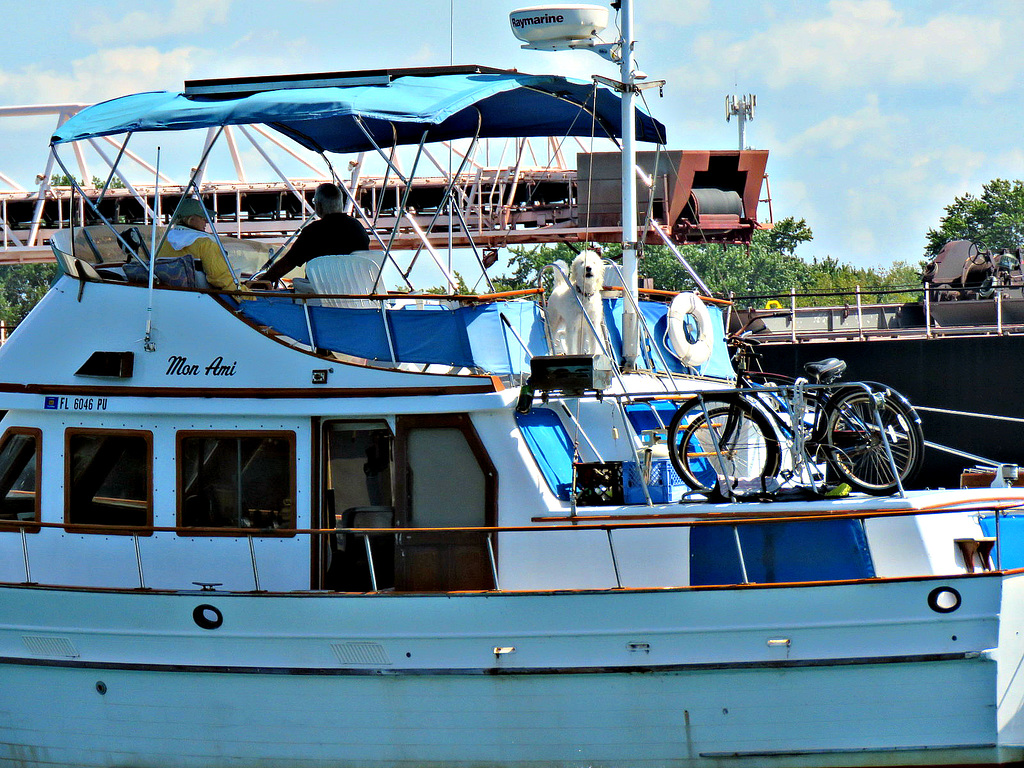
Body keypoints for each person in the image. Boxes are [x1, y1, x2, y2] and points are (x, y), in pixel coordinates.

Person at [261, 182, 370, 284]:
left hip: (318, 296)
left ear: (319, 205)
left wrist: (261, 282)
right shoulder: (358, 228)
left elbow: (288, 263)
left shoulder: (313, 231)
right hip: (354, 296)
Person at [158, 198, 248, 294]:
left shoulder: (164, 242)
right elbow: (221, 280)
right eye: (203, 217)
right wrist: (248, 296)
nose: (206, 221)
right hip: (209, 299)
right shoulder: (205, 244)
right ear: (191, 219)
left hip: (172, 296)